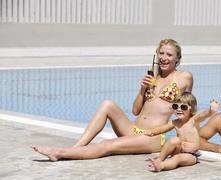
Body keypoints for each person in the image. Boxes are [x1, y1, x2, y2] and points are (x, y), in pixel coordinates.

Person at [30, 38, 194, 161]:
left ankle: (59, 153)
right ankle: (77, 147)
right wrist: (143, 89)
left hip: (154, 137)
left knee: (108, 144)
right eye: (161, 53)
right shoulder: (153, 77)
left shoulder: (184, 77)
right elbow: (135, 111)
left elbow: (188, 112)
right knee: (107, 104)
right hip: (134, 130)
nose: (164, 58)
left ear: (177, 59)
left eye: (169, 54)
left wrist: (187, 140)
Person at [145, 92, 219, 172]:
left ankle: (161, 165)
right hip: (177, 150)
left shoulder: (194, 120)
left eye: (183, 107)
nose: (179, 109)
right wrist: (152, 132)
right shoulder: (175, 122)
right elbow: (162, 128)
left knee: (177, 158)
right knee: (174, 140)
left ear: (192, 109)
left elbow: (203, 115)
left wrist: (211, 111)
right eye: (175, 106)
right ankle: (159, 160)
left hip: (190, 155)